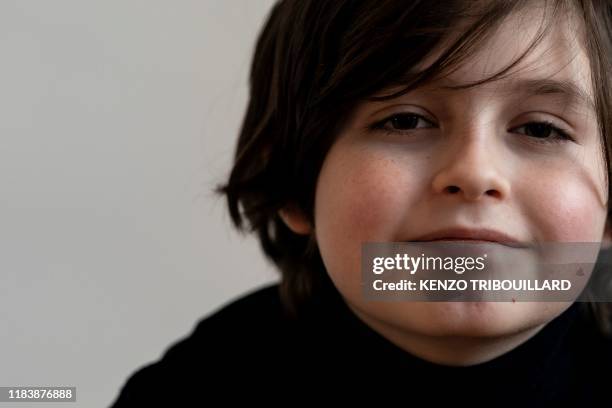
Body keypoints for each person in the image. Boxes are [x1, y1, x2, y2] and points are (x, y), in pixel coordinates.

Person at [110, 0, 612, 405]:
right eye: (405, 120)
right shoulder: (197, 388)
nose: (475, 172)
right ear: (294, 181)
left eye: (540, 128)